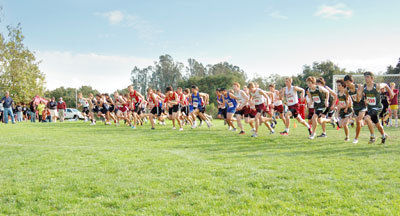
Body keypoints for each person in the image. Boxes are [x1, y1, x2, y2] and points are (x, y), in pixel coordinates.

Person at [361, 72, 393, 144]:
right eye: (365, 77)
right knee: (377, 124)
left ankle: (372, 137)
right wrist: (365, 100)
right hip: (370, 108)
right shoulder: (365, 87)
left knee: (366, 118)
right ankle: (384, 136)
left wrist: (390, 92)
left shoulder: (377, 86)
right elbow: (364, 97)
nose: (366, 79)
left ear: (372, 78)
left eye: (368, 77)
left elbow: (385, 85)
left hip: (377, 108)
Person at [344, 75, 367, 144]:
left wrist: (366, 99)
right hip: (355, 107)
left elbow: (366, 93)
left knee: (358, 121)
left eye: (348, 82)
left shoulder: (359, 86)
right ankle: (367, 122)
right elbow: (347, 98)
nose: (347, 84)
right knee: (359, 122)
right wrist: (347, 105)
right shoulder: (346, 90)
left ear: (352, 81)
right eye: (346, 83)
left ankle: (356, 138)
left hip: (363, 106)